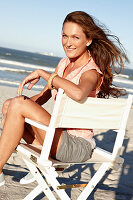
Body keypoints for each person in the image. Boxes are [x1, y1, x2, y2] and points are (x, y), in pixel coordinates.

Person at [0, 11, 128, 186]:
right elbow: (43, 96)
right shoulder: (63, 64)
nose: (68, 43)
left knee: (16, 105)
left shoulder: (90, 71)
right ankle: (36, 166)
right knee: (10, 104)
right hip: (58, 137)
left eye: (75, 37)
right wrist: (16, 110)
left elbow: (79, 94)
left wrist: (43, 74)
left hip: (76, 145)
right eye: (65, 36)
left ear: (88, 40)